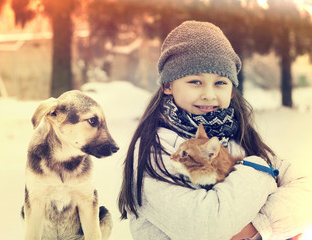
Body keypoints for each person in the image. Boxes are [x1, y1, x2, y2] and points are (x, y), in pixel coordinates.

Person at [118, 21, 312, 240]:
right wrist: (261, 171)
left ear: (231, 90)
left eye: (220, 82)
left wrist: (256, 227)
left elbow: (307, 192)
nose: (209, 94)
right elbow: (205, 227)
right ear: (167, 85)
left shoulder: (239, 137)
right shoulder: (154, 149)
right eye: (195, 81)